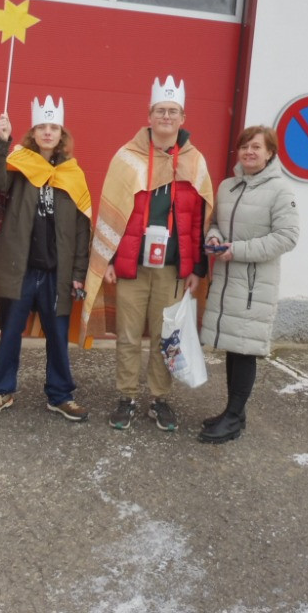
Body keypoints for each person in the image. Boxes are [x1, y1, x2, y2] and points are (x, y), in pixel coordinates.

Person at [79, 76, 214, 431]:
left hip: (172, 269)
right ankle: (126, 397)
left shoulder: (195, 162)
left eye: (173, 111)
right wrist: (108, 259)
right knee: (127, 336)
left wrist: (197, 268)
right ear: (149, 115)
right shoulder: (127, 158)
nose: (166, 116)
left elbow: (199, 220)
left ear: (183, 118)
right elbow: (112, 212)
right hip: (132, 266)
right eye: (160, 110)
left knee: (164, 336)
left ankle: (159, 398)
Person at [0, 97, 93, 422]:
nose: (47, 132)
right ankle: (1, 390)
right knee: (10, 332)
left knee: (57, 336)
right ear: (33, 132)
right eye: (41, 126)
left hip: (57, 272)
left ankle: (60, 395)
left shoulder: (73, 174)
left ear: (61, 133)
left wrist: (78, 272)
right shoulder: (20, 165)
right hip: (22, 269)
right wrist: (1, 142)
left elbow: (82, 229)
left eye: (53, 127)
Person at [198, 125, 299, 444]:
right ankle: (234, 412)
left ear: (270, 153)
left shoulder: (280, 190)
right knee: (234, 345)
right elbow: (215, 223)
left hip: (255, 286)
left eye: (257, 147)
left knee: (245, 350)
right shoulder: (227, 186)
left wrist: (237, 250)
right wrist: (215, 239)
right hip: (228, 281)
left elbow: (287, 237)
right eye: (244, 146)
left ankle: (233, 418)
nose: (249, 152)